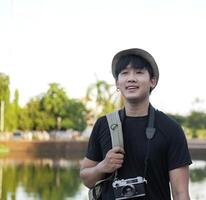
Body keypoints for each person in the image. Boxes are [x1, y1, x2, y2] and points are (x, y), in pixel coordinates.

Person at [80, 48, 192, 200]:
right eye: (124, 73)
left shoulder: (170, 128)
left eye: (139, 72)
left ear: (153, 81)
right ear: (117, 83)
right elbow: (86, 179)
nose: (131, 78)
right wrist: (103, 166)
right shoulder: (104, 124)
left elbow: (180, 193)